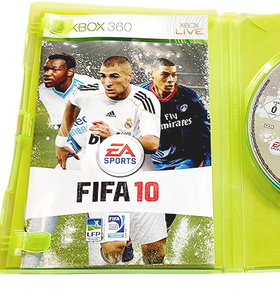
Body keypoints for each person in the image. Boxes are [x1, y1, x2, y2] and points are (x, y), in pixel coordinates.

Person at [56, 56, 167, 265]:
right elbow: (72, 105)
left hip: (140, 181)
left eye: (114, 76)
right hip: (102, 182)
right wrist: (61, 141)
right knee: (112, 249)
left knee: (155, 252)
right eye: (103, 76)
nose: (107, 82)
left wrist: (114, 136)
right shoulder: (87, 92)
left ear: (130, 76)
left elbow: (153, 143)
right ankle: (112, 262)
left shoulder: (144, 99)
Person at [21, 54, 96, 268]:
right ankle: (29, 263)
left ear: (70, 72)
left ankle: (99, 263)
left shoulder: (91, 86)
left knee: (95, 204)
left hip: (104, 155)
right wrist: (65, 143)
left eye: (54, 69)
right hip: (78, 152)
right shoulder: (44, 91)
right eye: (46, 69)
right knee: (47, 198)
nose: (47, 73)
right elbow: (61, 123)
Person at [138, 57, 211, 230]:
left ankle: (161, 228)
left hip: (187, 157)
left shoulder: (190, 97)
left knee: (175, 190)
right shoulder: (139, 96)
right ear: (152, 75)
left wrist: (208, 167)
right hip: (155, 160)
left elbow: (208, 131)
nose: (171, 80)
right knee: (146, 201)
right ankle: (134, 237)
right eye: (165, 75)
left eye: (174, 75)